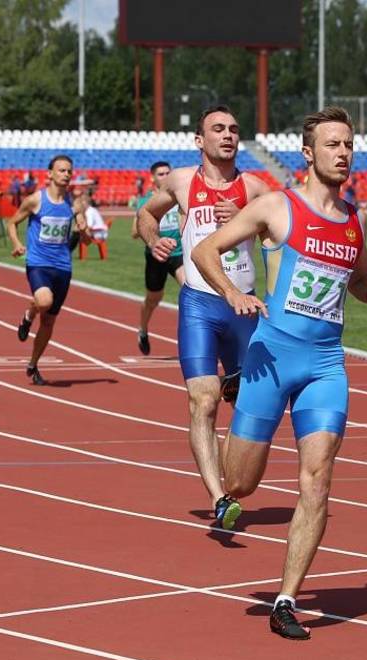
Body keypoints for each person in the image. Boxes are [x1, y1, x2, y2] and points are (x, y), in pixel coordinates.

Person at [189, 106, 367, 640]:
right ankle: (226, 485)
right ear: (308, 153)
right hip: (272, 357)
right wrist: (235, 292)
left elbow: (358, 280)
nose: (343, 152)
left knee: (319, 478)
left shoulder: (355, 219)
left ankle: (287, 598)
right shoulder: (276, 208)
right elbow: (205, 249)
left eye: (348, 144)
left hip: (326, 365)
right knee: (241, 483)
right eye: (332, 144)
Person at [137, 105, 271, 530]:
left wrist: (249, 224)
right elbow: (146, 214)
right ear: (200, 140)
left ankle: (232, 477)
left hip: (244, 308)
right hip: (199, 305)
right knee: (203, 399)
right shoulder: (180, 181)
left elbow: (283, 233)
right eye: (218, 129)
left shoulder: (253, 187)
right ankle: (218, 498)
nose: (228, 135)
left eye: (234, 128)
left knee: (243, 403)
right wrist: (155, 239)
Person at [7, 155, 88, 385]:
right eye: (61, 170)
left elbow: (87, 241)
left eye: (69, 171)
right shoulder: (36, 200)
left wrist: (83, 230)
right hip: (38, 263)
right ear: (50, 174)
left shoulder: (74, 203)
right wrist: (16, 244)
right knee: (43, 302)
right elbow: (12, 222)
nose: (66, 174)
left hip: (63, 267)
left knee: (49, 322)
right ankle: (28, 314)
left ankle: (33, 364)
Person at [131, 160, 185, 354]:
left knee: (190, 289)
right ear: (152, 178)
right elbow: (134, 232)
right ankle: (143, 329)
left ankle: (193, 335)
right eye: (160, 174)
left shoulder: (178, 196)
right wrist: (149, 229)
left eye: (167, 173)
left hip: (178, 254)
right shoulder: (146, 202)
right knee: (154, 298)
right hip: (156, 256)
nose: (164, 176)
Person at [80, 195, 109, 260]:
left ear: (86, 203)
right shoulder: (92, 210)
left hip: (98, 233)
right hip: (101, 232)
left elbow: (89, 225)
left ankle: (83, 258)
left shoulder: (89, 212)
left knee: (82, 239)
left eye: (82, 203)